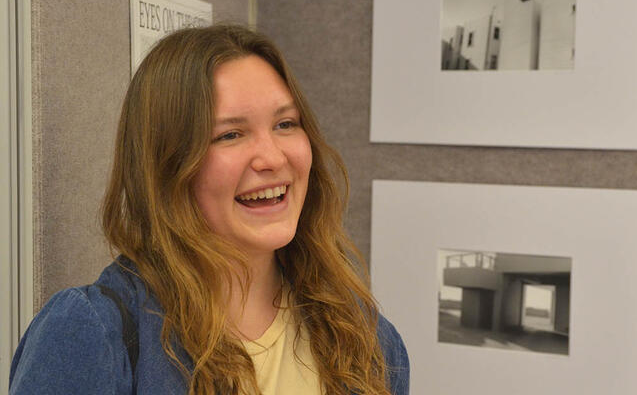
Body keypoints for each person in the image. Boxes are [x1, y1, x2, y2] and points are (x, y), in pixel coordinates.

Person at [9, 24, 409, 395]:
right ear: (167, 165)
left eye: (285, 124)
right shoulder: (91, 333)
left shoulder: (368, 339)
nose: (272, 157)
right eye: (230, 134)